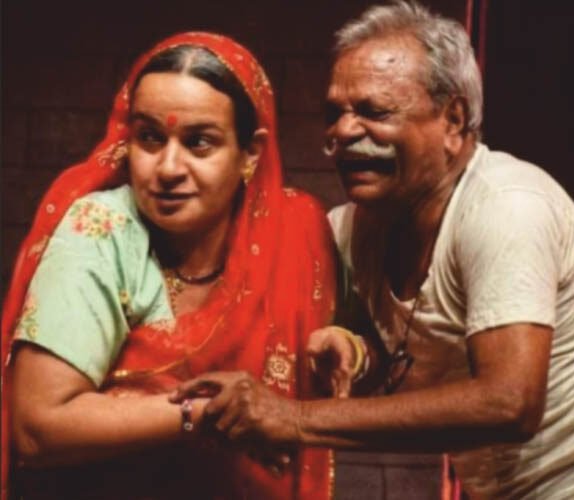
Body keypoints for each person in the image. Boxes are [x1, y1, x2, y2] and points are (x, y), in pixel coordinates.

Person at [168, 2, 574, 499]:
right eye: (334, 114)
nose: (343, 132)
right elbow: (396, 353)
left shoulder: (507, 206)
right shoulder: (350, 231)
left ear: (453, 120)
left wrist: (293, 418)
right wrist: (354, 351)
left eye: (373, 112)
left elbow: (510, 403)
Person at [1, 32, 338, 500]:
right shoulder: (101, 230)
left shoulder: (296, 230)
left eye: (199, 143)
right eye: (149, 138)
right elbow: (38, 426)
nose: (168, 168)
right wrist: (205, 413)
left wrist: (350, 347)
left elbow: (368, 351)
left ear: (251, 152)